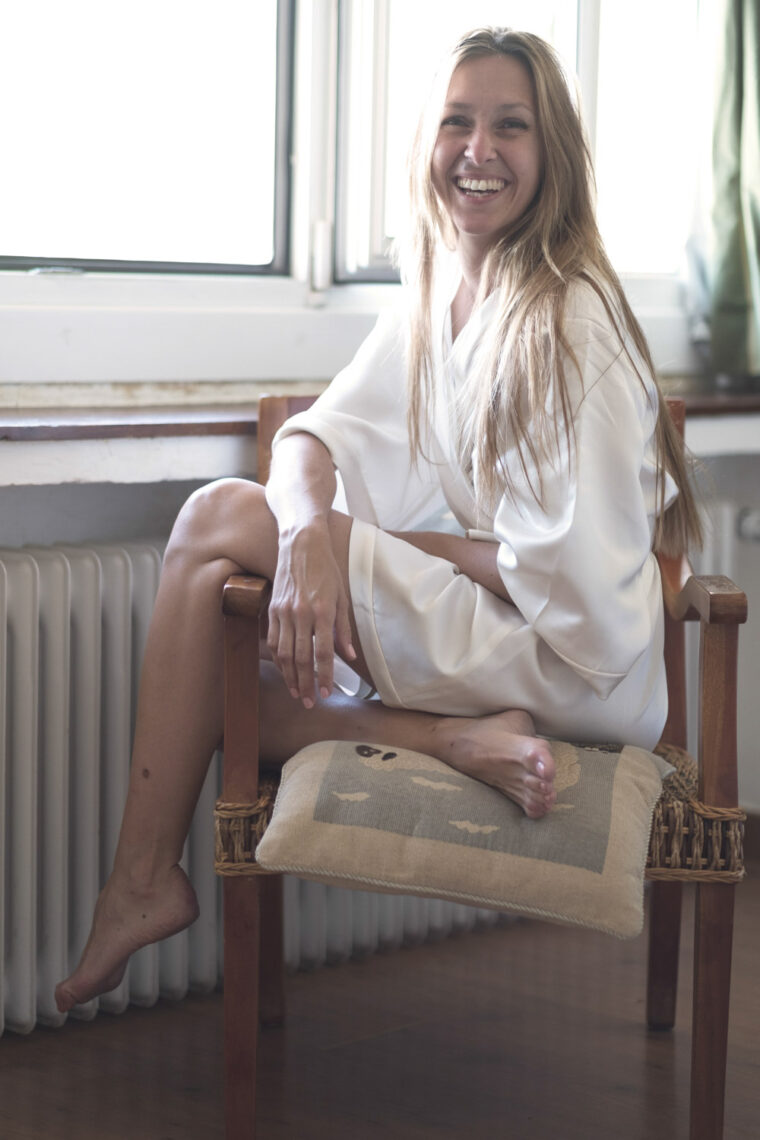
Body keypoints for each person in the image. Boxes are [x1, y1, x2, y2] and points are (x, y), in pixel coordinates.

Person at [55, 27, 701, 1013]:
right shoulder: (444, 291)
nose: (477, 149)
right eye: (456, 122)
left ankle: (140, 882)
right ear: (425, 143)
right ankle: (454, 740)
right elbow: (311, 440)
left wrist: (390, 547)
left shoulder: (566, 318)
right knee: (236, 691)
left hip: (578, 663)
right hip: (517, 634)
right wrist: (308, 535)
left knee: (214, 519)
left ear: (553, 154)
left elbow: (575, 585)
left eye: (510, 126)